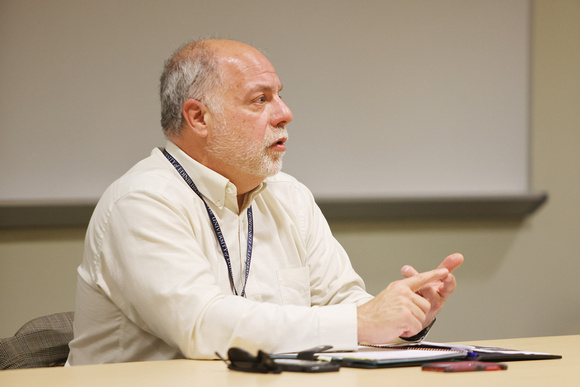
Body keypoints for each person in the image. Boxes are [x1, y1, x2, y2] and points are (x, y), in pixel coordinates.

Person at [66, 39, 463, 365]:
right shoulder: (142, 201)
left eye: (280, 97)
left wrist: (405, 317)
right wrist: (362, 320)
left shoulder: (288, 195)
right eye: (260, 100)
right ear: (198, 118)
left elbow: (343, 303)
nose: (285, 113)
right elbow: (203, 326)